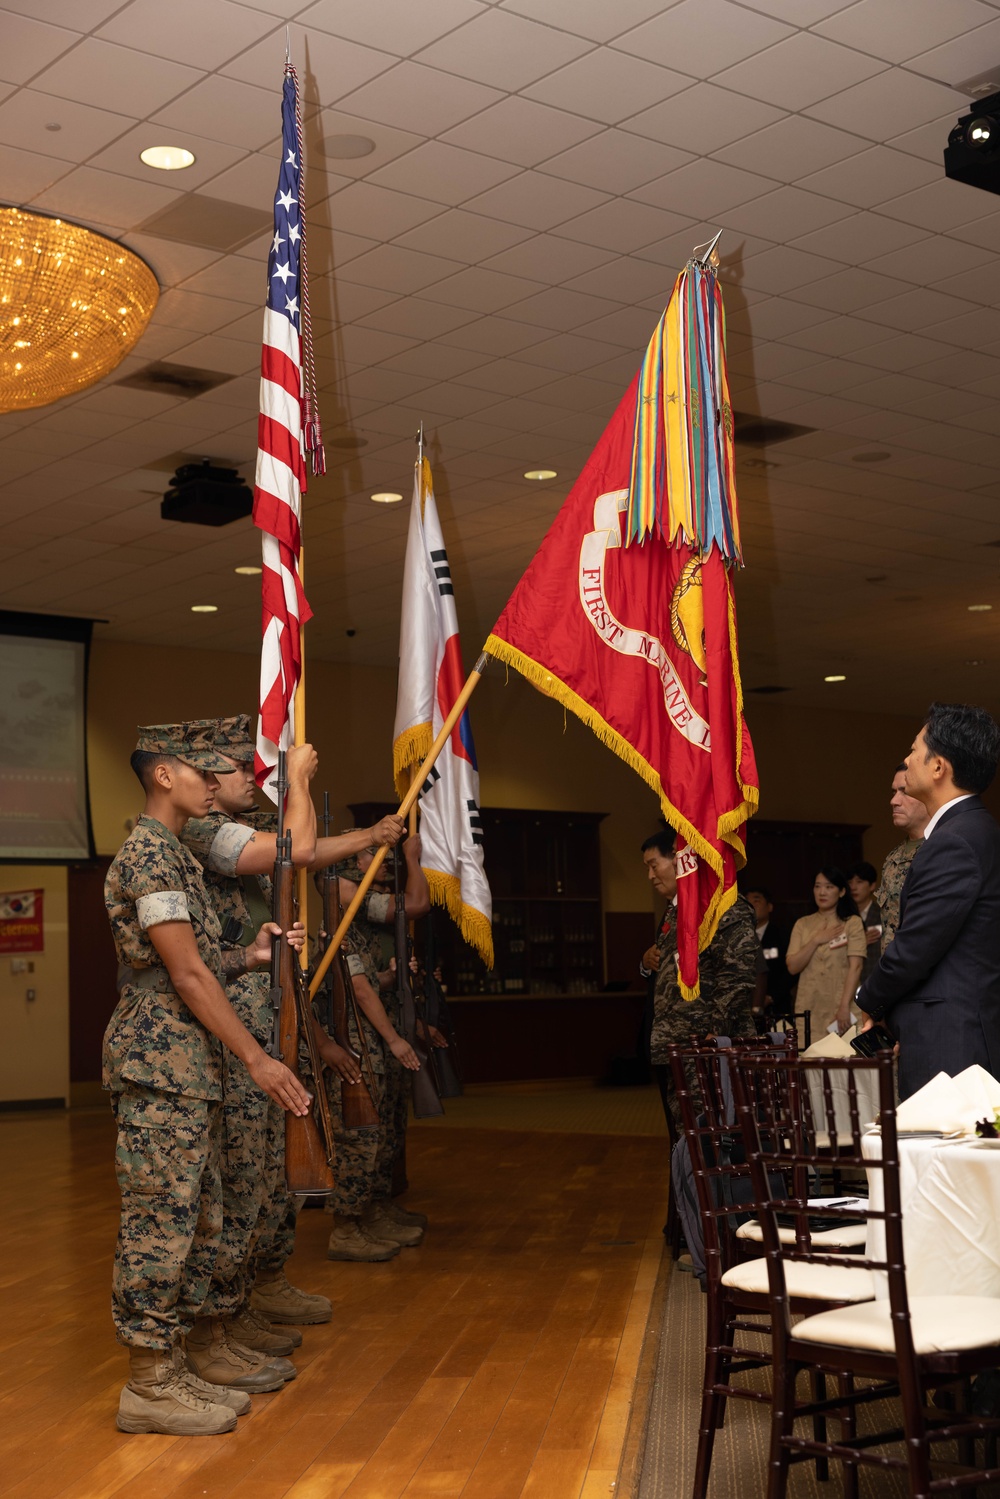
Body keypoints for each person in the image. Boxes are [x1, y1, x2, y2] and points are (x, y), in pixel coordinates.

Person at [103, 722, 311, 1436]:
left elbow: (197, 959)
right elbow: (183, 973)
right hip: (162, 1065)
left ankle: (179, 1362)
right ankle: (149, 1382)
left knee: (200, 1215)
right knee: (160, 1222)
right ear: (165, 774)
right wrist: (258, 1057)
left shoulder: (176, 857)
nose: (216, 781)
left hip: (192, 1065)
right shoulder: (149, 854)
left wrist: (249, 958)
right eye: (203, 770)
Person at [858, 702, 1000, 1098]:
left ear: (939, 767)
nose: (906, 759)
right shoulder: (974, 830)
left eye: (914, 750)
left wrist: (868, 1000)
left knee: (943, 1155)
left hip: (951, 1043)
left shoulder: (954, 841)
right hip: (957, 1035)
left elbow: (915, 948)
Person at [641, 829, 759, 1135]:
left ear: (681, 857)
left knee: (718, 1142)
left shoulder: (722, 905)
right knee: (687, 1144)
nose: (650, 876)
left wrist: (715, 1037)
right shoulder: (676, 910)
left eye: (654, 865)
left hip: (710, 1051)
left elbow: (737, 977)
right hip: (678, 1049)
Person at [785, 869, 865, 1038]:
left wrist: (844, 1007)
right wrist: (816, 940)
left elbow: (856, 967)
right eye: (817, 886)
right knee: (810, 1059)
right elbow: (792, 967)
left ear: (842, 892)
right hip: (810, 1007)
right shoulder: (803, 924)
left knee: (845, 1060)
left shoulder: (852, 923)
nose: (822, 892)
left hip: (843, 1006)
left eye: (829, 887)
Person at [875, 762, 930, 949]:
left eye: (904, 792)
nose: (894, 801)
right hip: (893, 973)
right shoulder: (893, 859)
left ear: (928, 795)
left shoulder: (944, 852)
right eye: (893, 792)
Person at [743, 886, 793, 1019]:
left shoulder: (782, 936)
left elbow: (790, 971)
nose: (751, 905)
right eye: (747, 901)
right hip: (745, 1008)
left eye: (756, 901)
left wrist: (771, 997)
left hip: (776, 1008)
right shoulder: (738, 937)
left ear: (769, 907)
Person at [847, 861, 883, 983]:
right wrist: (859, 942)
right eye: (850, 882)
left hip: (875, 981)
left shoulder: (883, 915)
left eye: (859, 882)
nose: (853, 887)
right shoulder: (841, 917)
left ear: (872, 886)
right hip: (846, 982)